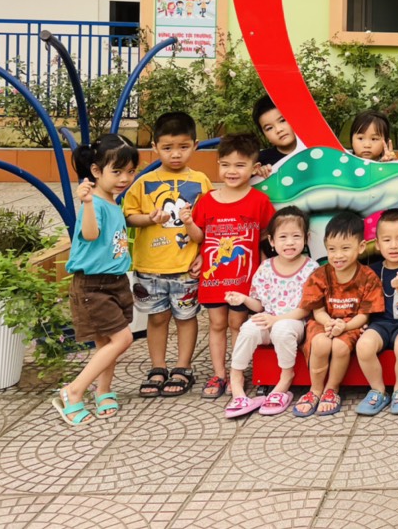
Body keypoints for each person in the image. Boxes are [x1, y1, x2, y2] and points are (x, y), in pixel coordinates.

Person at [53, 135, 140, 426]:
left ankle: (103, 390)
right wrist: (88, 203)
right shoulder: (95, 204)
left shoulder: (113, 202)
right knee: (122, 338)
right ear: (96, 171)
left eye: (130, 171)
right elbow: (90, 234)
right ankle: (73, 391)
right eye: (117, 171)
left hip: (115, 282)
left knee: (106, 342)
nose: (124, 178)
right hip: (93, 285)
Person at [123, 110, 209, 399]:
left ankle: (183, 367)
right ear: (155, 147)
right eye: (168, 148)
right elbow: (129, 216)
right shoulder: (142, 182)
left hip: (186, 268)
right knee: (157, 319)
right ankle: (157, 367)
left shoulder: (201, 181)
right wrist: (149, 219)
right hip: (150, 268)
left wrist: (203, 255)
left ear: (195, 146)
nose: (175, 154)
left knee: (186, 318)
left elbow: (209, 223)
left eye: (183, 147)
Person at [193, 133, 275, 400]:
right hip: (214, 278)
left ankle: (237, 372)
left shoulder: (260, 201)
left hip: (244, 280)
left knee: (238, 323)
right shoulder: (206, 200)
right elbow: (200, 236)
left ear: (254, 167)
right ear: (218, 164)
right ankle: (219, 374)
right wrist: (199, 255)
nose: (232, 171)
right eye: (226, 164)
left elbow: (267, 235)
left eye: (240, 165)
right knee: (217, 324)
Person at [223, 208, 317, 418]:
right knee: (248, 328)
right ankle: (236, 380)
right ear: (272, 241)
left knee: (282, 329)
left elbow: (306, 308)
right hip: (268, 319)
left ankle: (285, 378)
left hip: (295, 323)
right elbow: (259, 305)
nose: (290, 243)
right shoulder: (265, 267)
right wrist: (243, 299)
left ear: (306, 238)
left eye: (296, 236)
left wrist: (276, 319)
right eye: (283, 237)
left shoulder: (311, 268)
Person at [293, 211, 384, 417]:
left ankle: (331, 389)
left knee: (340, 346)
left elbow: (365, 315)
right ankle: (315, 390)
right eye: (332, 249)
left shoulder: (368, 277)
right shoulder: (319, 275)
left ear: (361, 247)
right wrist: (328, 323)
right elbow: (317, 310)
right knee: (321, 343)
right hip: (323, 322)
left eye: (345, 248)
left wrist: (345, 326)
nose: (338, 255)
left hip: (352, 324)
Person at [354, 209, 398, 416]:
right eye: (387, 240)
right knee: (364, 346)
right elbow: (364, 303)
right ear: (378, 243)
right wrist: (363, 322)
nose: (393, 245)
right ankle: (378, 391)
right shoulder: (372, 270)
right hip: (380, 324)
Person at [253, 94, 300, 175]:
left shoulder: (316, 146)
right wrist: (257, 174)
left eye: (282, 120)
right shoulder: (260, 161)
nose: (278, 130)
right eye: (269, 128)